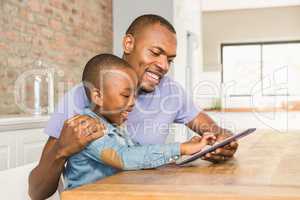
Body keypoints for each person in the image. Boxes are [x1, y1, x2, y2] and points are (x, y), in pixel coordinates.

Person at [29, 14, 238, 200]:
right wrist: (60, 151)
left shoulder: (171, 91)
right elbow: (37, 192)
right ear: (129, 43)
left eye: (170, 60)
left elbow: (214, 131)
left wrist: (223, 142)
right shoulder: (81, 100)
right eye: (156, 52)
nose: (164, 66)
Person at [64, 53, 216, 189]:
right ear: (97, 96)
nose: (132, 103)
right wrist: (180, 148)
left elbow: (137, 150)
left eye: (134, 96)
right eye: (125, 95)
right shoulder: (87, 128)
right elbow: (124, 157)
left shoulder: (113, 125)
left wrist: (175, 157)